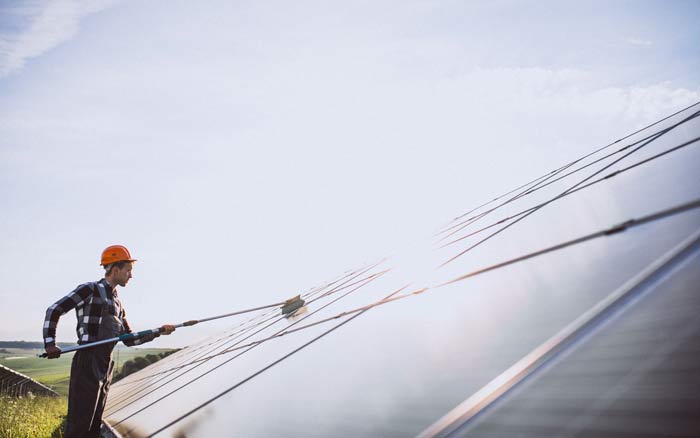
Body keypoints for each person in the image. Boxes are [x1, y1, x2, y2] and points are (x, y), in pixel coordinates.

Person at [43, 245, 176, 438]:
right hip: (87, 360)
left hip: (106, 364)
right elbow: (54, 310)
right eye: (128, 271)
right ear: (115, 269)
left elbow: (129, 339)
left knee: (94, 426)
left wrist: (159, 332)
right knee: (80, 424)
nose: (131, 276)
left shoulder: (118, 304)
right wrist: (49, 342)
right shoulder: (90, 289)